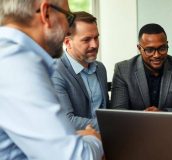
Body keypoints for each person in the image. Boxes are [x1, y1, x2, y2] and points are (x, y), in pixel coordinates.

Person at [0, 0, 103, 159]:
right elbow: (75, 157)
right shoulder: (17, 63)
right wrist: (93, 138)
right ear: (46, 13)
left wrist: (74, 137)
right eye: (68, 18)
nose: (69, 28)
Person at [111, 23, 172, 113]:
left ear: (167, 44)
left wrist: (162, 113)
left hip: (170, 126)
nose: (156, 55)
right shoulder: (122, 70)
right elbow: (117, 110)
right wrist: (144, 116)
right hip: (136, 126)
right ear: (139, 48)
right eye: (149, 50)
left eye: (162, 48)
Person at [51, 11, 109, 131]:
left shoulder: (100, 69)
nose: (94, 45)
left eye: (96, 37)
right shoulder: (56, 72)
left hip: (106, 140)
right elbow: (67, 120)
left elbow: (105, 110)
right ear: (67, 42)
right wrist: (112, 125)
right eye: (86, 40)